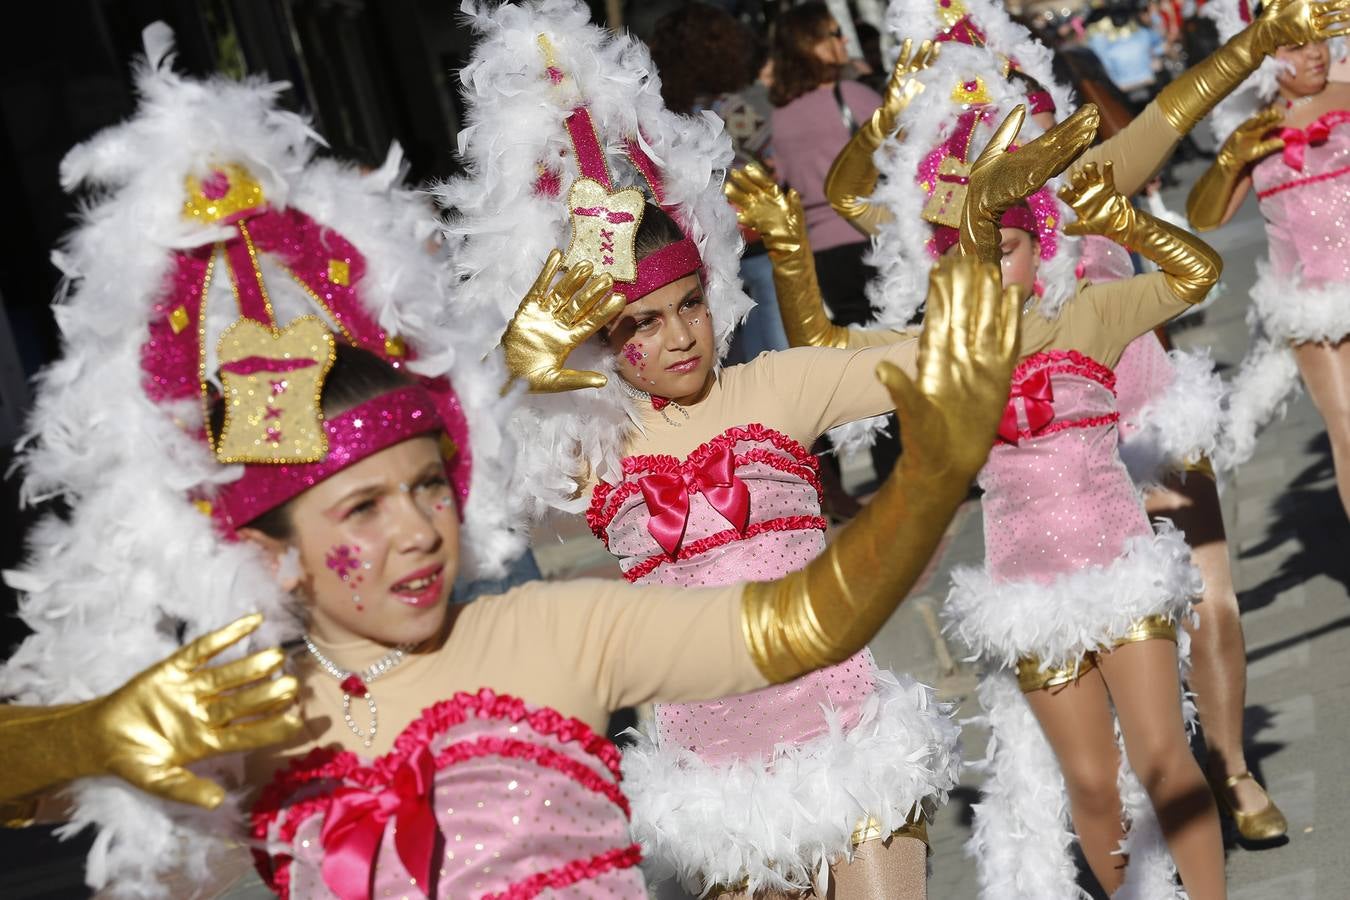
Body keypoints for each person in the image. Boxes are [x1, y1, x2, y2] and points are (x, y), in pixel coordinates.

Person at [0, 16, 1023, 898]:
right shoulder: (266, 719)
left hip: (837, 730)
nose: (415, 530)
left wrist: (931, 465)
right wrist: (88, 737)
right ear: (267, 553)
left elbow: (806, 621)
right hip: (721, 776)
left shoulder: (545, 634)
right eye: (360, 510)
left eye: (425, 486)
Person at [431, 5, 1062, 895]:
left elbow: (950, 355)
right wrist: (521, 360)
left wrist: (996, 238)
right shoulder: (592, 446)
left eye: (690, 303)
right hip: (719, 791)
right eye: (642, 324)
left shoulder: (773, 389)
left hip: (850, 744)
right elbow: (460, 484)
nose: (682, 335)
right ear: (605, 344)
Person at [1190, 11, 1350, 523]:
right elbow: (1205, 216)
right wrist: (1230, 157)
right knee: (1346, 431)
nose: (1314, 53)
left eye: (1318, 41)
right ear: (1263, 56)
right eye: (1296, 45)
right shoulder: (1252, 124)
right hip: (1306, 306)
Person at [647, 2, 790, 363]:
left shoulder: (659, 120)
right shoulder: (729, 108)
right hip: (753, 242)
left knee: (722, 357)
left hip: (695, 247)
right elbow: (775, 162)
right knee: (773, 353)